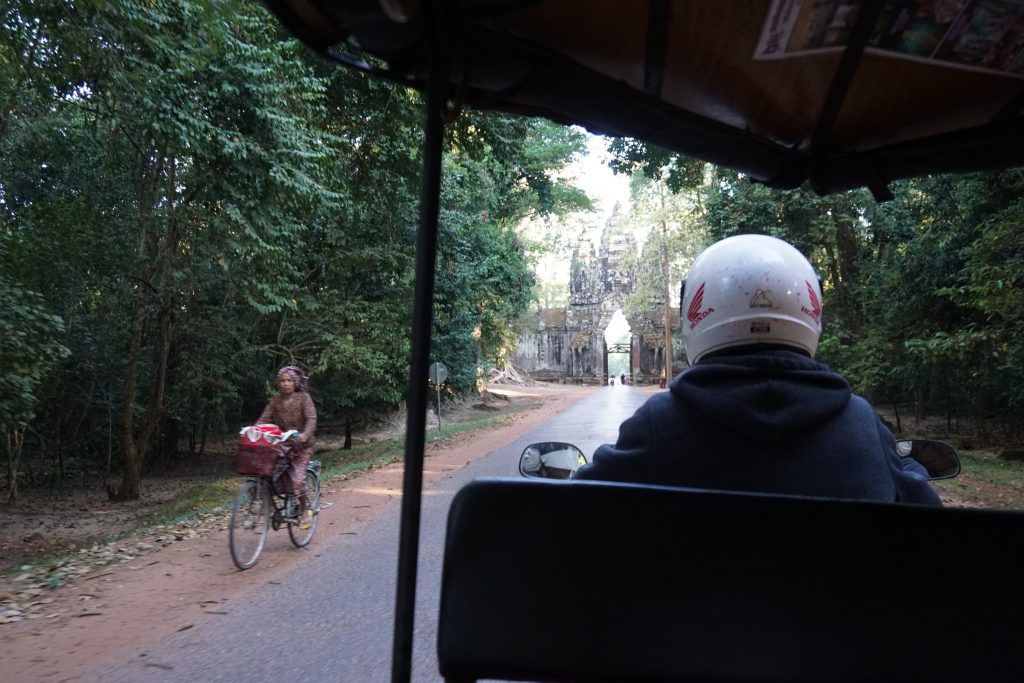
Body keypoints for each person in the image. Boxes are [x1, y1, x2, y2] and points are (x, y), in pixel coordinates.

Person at [575, 234, 941, 505]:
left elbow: (575, 506)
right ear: (811, 312)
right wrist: (914, 471)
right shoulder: (861, 423)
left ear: (695, 315)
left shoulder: (659, 422)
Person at [257, 365, 318, 527]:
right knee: (266, 475)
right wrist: (253, 430)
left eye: (289, 380)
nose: (285, 384)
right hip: (282, 445)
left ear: (295, 382)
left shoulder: (303, 398)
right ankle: (272, 508)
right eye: (282, 380)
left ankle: (305, 509)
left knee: (297, 479)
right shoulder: (274, 402)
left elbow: (311, 419)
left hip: (302, 446)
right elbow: (263, 420)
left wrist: (304, 435)